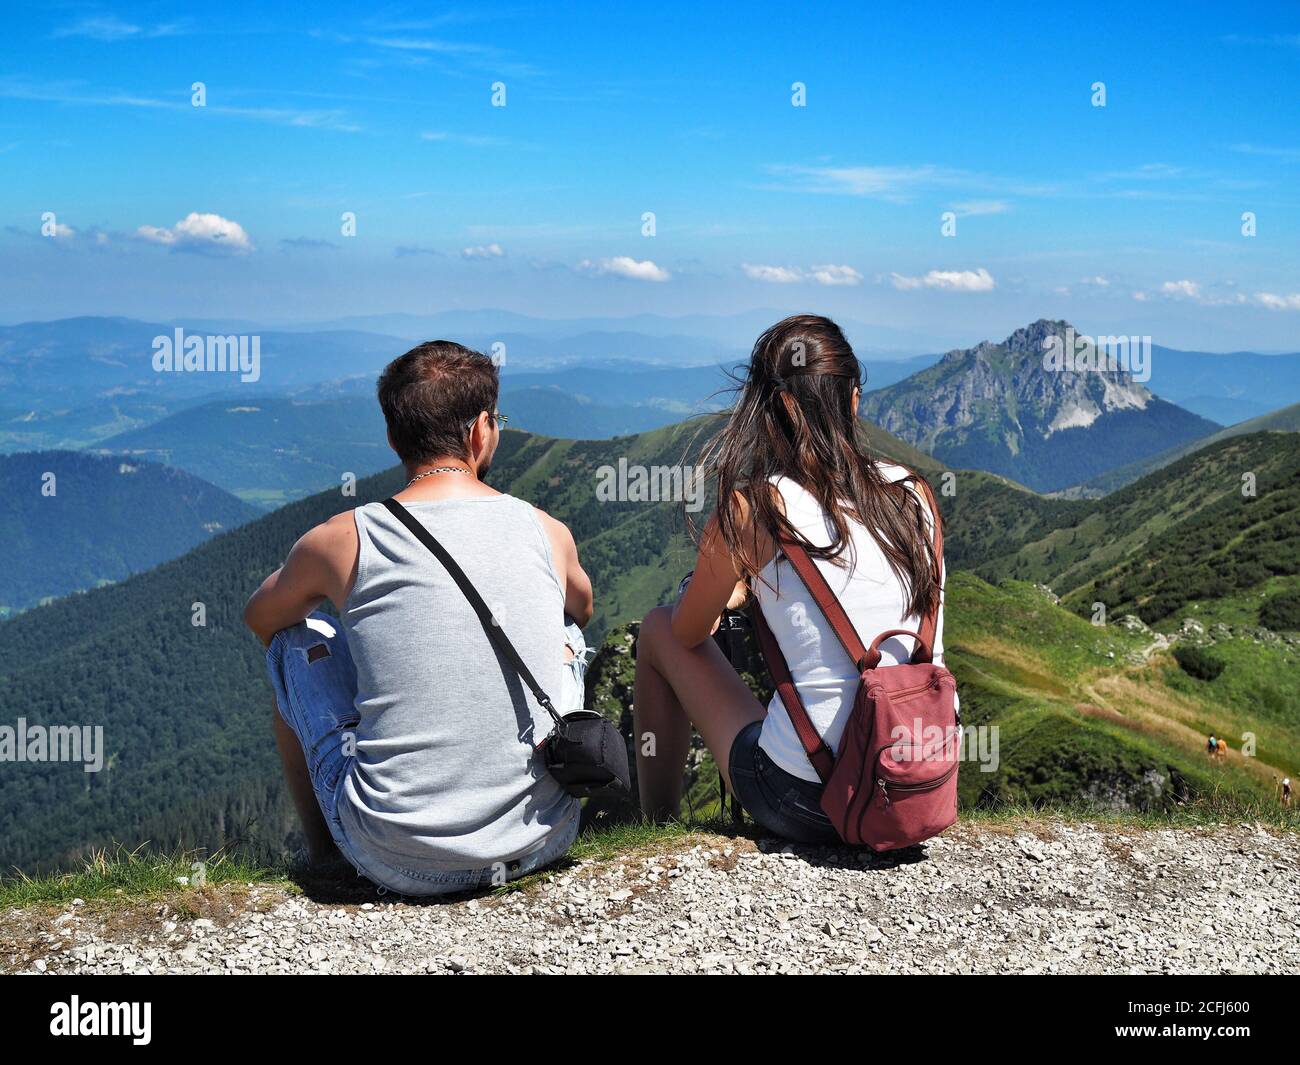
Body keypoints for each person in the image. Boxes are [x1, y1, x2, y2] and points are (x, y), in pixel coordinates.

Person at [244, 341, 593, 895]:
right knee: (568, 633)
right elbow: (582, 609)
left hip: (392, 854)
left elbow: (262, 618)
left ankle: (325, 854)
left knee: (296, 640)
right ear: (482, 430)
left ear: (392, 438)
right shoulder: (545, 529)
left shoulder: (345, 537)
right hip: (545, 835)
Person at [633, 314, 948, 842]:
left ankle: (654, 825)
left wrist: (731, 592)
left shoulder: (756, 506)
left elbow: (689, 633)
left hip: (811, 799)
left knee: (661, 628)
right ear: (852, 399)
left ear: (773, 406)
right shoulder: (914, 493)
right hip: (921, 782)